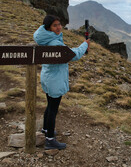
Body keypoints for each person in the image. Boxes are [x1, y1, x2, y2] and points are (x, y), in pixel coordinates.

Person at [33, 15, 90, 150]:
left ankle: (46, 130)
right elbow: (72, 55)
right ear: (48, 28)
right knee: (53, 109)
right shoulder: (55, 43)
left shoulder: (46, 39)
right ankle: (50, 140)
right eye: (55, 25)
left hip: (48, 76)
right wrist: (85, 44)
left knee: (49, 105)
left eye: (59, 24)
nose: (59, 27)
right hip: (55, 79)